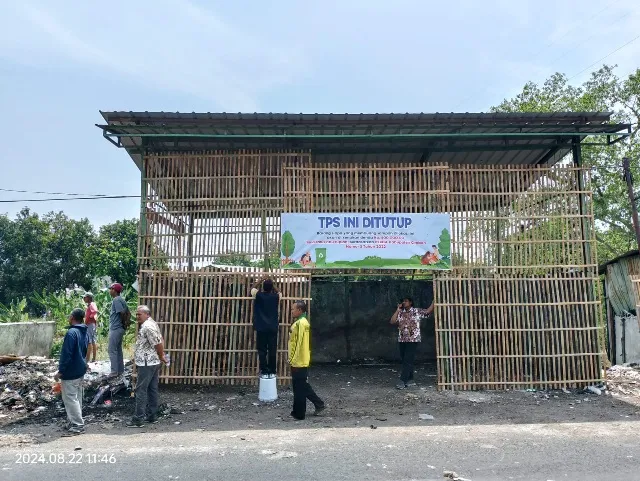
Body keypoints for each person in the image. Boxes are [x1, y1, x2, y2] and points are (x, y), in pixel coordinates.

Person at [127, 305, 166, 428]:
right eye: (137, 314)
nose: (137, 316)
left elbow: (158, 343)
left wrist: (161, 355)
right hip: (152, 361)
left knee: (141, 390)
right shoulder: (151, 324)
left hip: (147, 362)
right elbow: (160, 339)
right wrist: (160, 355)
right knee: (152, 389)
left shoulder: (148, 327)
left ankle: (138, 418)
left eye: (140, 314)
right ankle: (152, 415)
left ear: (147, 314)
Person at [54, 308, 88, 436]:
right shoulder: (84, 331)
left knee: (70, 398)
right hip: (80, 369)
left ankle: (77, 424)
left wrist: (61, 371)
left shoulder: (71, 333)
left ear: (72, 317)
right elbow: (85, 350)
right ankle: (73, 421)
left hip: (71, 371)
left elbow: (66, 354)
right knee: (77, 397)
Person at [288, 300, 325, 420]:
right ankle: (317, 405)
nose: (292, 311)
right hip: (302, 359)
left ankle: (299, 414)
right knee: (302, 386)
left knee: (299, 388)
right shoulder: (304, 322)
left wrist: (291, 359)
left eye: (293, 309)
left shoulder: (300, 324)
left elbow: (297, 344)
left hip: (298, 361)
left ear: (300, 310)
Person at [390, 297, 434, 389]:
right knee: (406, 360)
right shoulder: (400, 313)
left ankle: (403, 380)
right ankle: (410, 380)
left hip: (413, 339)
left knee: (407, 359)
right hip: (402, 339)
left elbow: (428, 312)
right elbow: (392, 321)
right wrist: (397, 310)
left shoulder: (416, 311)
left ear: (411, 302)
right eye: (403, 301)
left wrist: (434, 302)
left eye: (406, 301)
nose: (404, 302)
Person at [251, 278, 280, 378]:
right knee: (272, 349)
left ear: (263, 287)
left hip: (261, 327)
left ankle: (264, 370)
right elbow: (279, 292)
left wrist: (261, 279)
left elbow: (252, 288)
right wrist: (273, 283)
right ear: (271, 288)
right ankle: (272, 370)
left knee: (262, 350)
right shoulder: (276, 297)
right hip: (272, 327)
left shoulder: (258, 295)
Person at [108, 283, 130, 377]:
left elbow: (122, 313)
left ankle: (114, 372)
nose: (110, 291)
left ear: (114, 290)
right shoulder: (122, 300)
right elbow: (128, 313)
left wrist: (124, 322)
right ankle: (120, 370)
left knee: (111, 350)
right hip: (120, 328)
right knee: (118, 350)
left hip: (116, 328)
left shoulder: (116, 300)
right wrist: (125, 324)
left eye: (111, 289)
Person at [84, 292, 99, 363]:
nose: (84, 298)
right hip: (91, 324)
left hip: (90, 324)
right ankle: (93, 359)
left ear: (89, 298)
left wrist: (90, 317)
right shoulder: (90, 305)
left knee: (89, 341)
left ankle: (87, 359)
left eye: (85, 297)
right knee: (93, 341)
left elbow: (95, 311)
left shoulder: (92, 304)